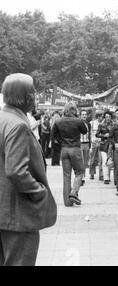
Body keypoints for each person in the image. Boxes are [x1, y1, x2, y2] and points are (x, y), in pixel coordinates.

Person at [0, 73, 57, 265]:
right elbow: (16, 170)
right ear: (24, 96)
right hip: (17, 214)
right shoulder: (18, 125)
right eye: (33, 92)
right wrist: (38, 191)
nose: (35, 96)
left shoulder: (4, 118)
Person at [52, 102, 88, 206]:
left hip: (64, 149)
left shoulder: (58, 121)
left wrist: (61, 141)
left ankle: (67, 203)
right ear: (74, 110)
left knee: (66, 175)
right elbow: (85, 131)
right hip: (75, 148)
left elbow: (53, 135)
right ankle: (73, 193)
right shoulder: (78, 121)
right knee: (80, 172)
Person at [96, 111, 114, 184]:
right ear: (104, 117)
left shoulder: (114, 125)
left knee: (110, 161)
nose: (108, 118)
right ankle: (106, 178)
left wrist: (110, 135)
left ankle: (109, 177)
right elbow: (97, 134)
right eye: (106, 117)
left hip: (111, 144)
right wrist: (104, 136)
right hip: (103, 145)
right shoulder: (101, 125)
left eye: (109, 117)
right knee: (104, 161)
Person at [89, 110, 104, 180]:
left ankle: (101, 175)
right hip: (94, 143)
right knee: (93, 159)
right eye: (101, 116)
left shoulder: (104, 123)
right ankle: (92, 173)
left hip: (102, 143)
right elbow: (90, 133)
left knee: (101, 160)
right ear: (98, 117)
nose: (102, 118)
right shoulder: (92, 123)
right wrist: (92, 140)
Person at [79, 110, 91, 186]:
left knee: (85, 162)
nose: (84, 116)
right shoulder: (78, 123)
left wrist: (90, 145)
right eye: (83, 114)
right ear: (80, 115)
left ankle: (83, 176)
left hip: (86, 144)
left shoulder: (88, 124)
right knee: (81, 162)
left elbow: (89, 134)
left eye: (85, 114)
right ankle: (81, 178)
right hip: (80, 143)